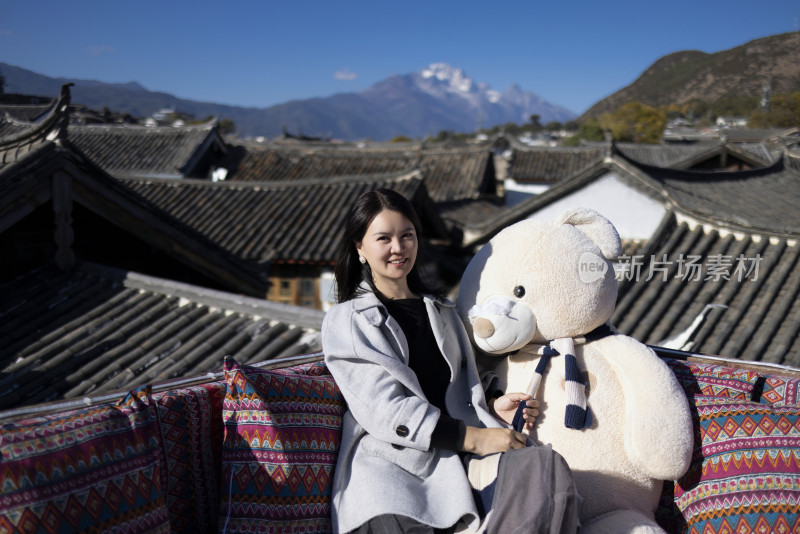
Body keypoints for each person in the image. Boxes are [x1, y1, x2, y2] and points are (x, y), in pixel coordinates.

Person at [321, 189, 580, 534]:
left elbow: (459, 380)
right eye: (383, 238)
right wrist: (472, 438)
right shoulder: (350, 320)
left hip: (461, 456)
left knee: (544, 466)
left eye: (407, 236)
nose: (398, 248)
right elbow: (384, 408)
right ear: (359, 248)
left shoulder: (441, 311)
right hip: (394, 468)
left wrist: (490, 403)